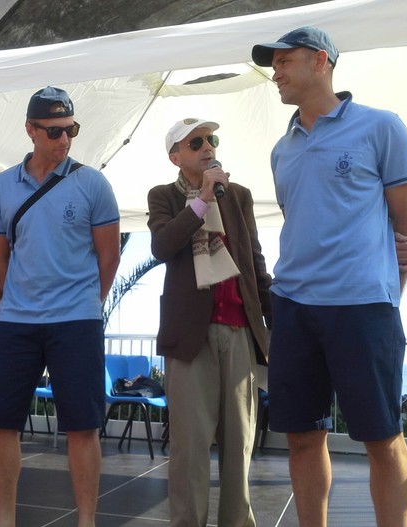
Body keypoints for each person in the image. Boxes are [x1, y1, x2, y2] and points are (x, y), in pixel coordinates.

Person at [251, 27, 407, 527]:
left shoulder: (381, 127)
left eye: (284, 61)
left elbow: (406, 232)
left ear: (320, 61)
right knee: (301, 437)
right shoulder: (282, 150)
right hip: (295, 307)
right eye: (272, 64)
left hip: (364, 306)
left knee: (382, 438)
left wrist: (386, 294)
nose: (275, 72)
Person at [0, 86, 120, 527]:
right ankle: (4, 518)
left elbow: (109, 258)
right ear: (31, 131)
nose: (64, 140)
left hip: (76, 320)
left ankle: (86, 520)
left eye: (71, 130)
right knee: (0, 423)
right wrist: (15, 297)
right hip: (17, 321)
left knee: (83, 425)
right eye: (54, 131)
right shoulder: (2, 186)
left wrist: (86, 305)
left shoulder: (93, 182)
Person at [147, 119, 272, 527]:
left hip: (239, 332)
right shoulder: (164, 196)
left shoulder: (239, 196)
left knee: (239, 448)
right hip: (190, 338)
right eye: (195, 142)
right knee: (190, 449)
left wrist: (276, 323)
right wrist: (200, 200)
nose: (207, 146)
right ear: (176, 156)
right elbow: (164, 246)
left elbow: (254, 263)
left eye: (211, 139)